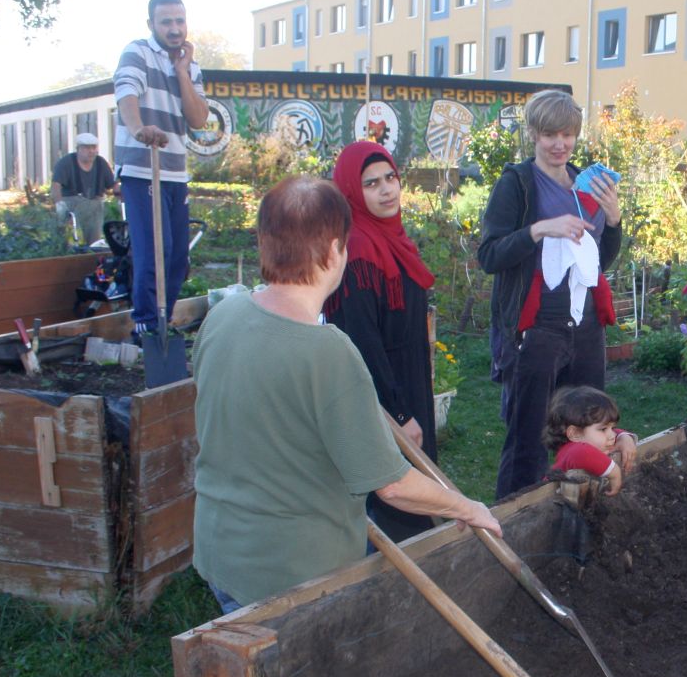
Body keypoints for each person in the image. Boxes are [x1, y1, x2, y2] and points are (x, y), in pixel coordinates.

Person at [191, 176, 501, 614]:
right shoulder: (329, 352)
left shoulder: (223, 316)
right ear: (337, 250)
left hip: (221, 549)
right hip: (295, 575)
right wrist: (466, 507)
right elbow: (392, 485)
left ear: (264, 242)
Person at [478, 89, 636, 498]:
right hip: (537, 327)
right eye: (549, 134)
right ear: (532, 132)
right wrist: (538, 229)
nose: (559, 144)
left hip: (584, 326)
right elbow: (490, 254)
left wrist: (614, 219)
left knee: (587, 429)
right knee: (529, 439)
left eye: (567, 134)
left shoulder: (588, 184)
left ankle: (575, 514)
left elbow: (598, 262)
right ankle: (513, 523)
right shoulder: (517, 184)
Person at [325, 140, 440, 543]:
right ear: (352, 193)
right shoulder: (357, 251)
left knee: (417, 485)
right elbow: (362, 344)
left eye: (390, 177)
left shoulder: (392, 238)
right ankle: (399, 576)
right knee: (397, 492)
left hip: (405, 379)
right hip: (383, 392)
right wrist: (399, 414)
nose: (387, 189)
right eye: (371, 184)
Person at [113, 0, 210, 341]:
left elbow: (198, 118)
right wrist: (139, 128)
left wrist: (182, 71)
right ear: (151, 23)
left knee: (178, 258)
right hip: (142, 167)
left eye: (179, 21)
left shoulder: (191, 66)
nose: (174, 28)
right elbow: (126, 92)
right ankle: (145, 325)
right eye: (166, 21)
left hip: (174, 172)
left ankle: (164, 318)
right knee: (154, 249)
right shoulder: (137, 52)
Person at [544, 385, 631, 496]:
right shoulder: (572, 451)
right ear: (575, 434)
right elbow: (582, 452)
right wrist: (614, 472)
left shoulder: (592, 440)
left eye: (612, 428)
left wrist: (624, 437)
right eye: (603, 429)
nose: (612, 435)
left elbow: (614, 433)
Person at [51, 133, 118, 245]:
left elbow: (112, 184)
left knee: (95, 209)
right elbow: (56, 185)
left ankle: (93, 248)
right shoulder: (65, 163)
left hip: (95, 205)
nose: (91, 151)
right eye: (87, 148)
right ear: (78, 149)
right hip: (71, 203)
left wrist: (121, 195)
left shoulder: (101, 163)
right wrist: (59, 204)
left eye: (93, 147)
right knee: (70, 237)